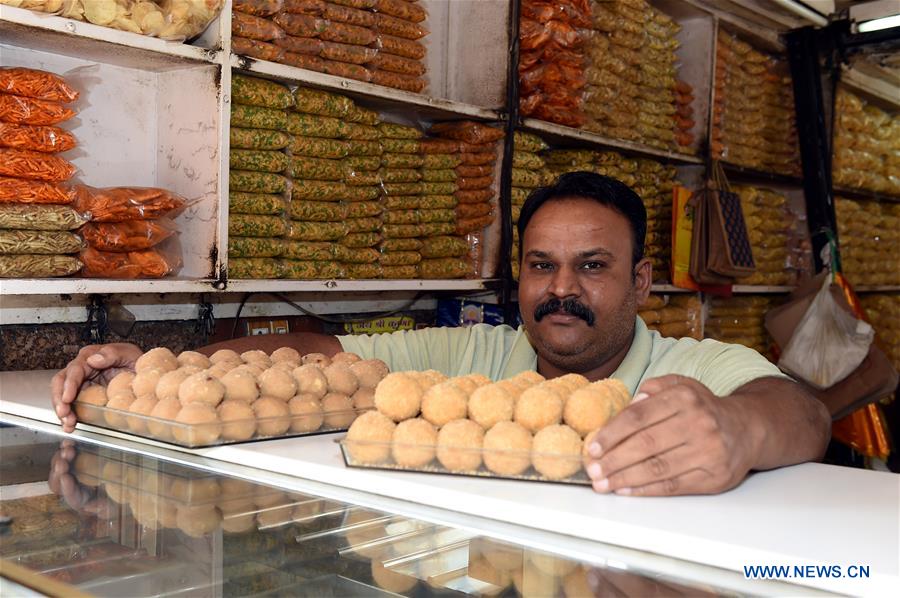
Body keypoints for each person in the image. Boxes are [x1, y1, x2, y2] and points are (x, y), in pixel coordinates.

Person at [52, 172, 831, 496]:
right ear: (516, 277)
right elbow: (312, 357)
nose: (561, 289)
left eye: (592, 266)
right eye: (540, 265)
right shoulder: (470, 358)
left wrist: (739, 426)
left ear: (640, 281)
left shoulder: (689, 367)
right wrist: (173, 365)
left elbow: (803, 410)